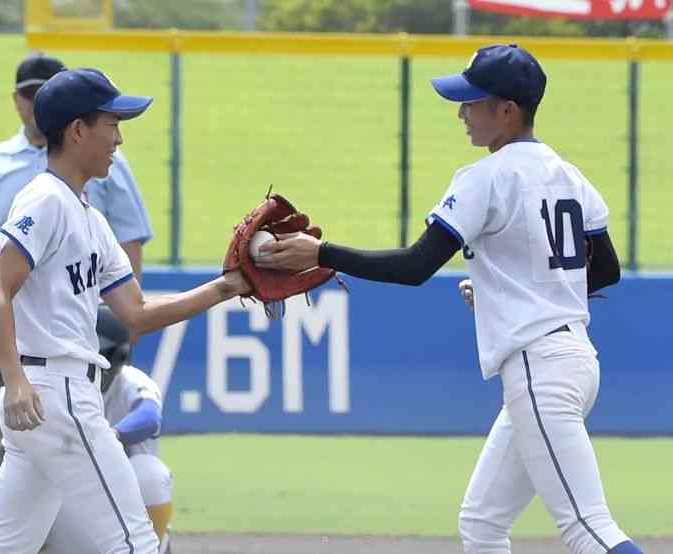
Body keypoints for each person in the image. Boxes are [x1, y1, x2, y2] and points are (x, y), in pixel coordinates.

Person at [256, 44, 642, 554]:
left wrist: (320, 252)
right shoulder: (570, 176)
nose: (462, 112)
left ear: (507, 110)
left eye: (472, 101)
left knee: (588, 529)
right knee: (481, 523)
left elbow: (416, 266)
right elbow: (605, 268)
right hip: (571, 361)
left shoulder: (485, 177)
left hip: (540, 369)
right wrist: (509, 290)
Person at [0, 67, 248, 554]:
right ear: (77, 131)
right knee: (135, 542)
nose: (118, 138)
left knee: (3, 547)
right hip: (56, 394)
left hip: (55, 397)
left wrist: (226, 287)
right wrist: (13, 380)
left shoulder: (90, 218)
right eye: (111, 123)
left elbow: (135, 312)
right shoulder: (44, 199)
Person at [0, 53, 154, 470]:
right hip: (14, 322)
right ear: (17, 100)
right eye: (30, 92)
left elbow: (129, 237)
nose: (37, 99)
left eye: (47, 90)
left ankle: (55, 531)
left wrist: (129, 308)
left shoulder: (99, 170)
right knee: (17, 446)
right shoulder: (11, 173)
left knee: (64, 453)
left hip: (79, 319)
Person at [0, 304, 174, 553]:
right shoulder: (60, 381)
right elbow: (5, 398)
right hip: (73, 505)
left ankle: (159, 547)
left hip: (124, 499)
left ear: (113, 356)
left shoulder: (131, 382)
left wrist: (109, 436)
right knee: (26, 511)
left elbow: (149, 417)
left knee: (150, 473)